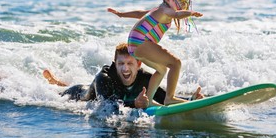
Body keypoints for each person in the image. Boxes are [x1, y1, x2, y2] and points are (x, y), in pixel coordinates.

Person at [107, 0, 203, 107]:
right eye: (179, 1)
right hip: (141, 41)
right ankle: (170, 98)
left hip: (134, 44)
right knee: (176, 63)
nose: (182, 6)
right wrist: (191, 13)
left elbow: (139, 14)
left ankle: (149, 100)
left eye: (184, 3)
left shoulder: (158, 9)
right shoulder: (166, 9)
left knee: (161, 70)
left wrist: (121, 14)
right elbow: (176, 14)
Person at [43, 42, 203, 108]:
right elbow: (107, 105)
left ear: (139, 64)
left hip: (123, 97)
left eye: (129, 64)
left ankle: (55, 80)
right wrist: (135, 103)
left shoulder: (145, 78)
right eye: (120, 64)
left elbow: (163, 97)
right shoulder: (104, 77)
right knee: (57, 93)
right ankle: (54, 82)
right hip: (78, 96)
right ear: (115, 63)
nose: (125, 69)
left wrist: (190, 100)